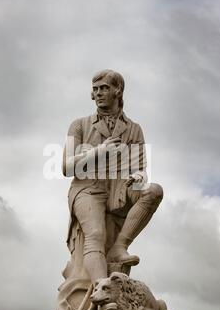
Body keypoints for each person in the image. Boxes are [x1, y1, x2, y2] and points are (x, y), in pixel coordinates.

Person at [63, 69, 163, 286]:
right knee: (96, 235)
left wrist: (138, 175)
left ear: (118, 91)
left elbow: (141, 168)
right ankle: (103, 291)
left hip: (119, 188)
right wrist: (99, 150)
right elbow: (66, 166)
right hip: (88, 187)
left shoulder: (134, 129)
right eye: (95, 89)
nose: (98, 93)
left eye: (104, 88)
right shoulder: (79, 124)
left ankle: (120, 246)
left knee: (153, 190)